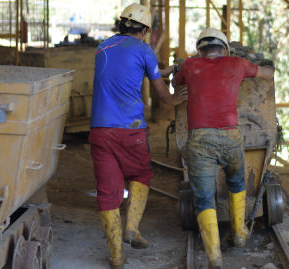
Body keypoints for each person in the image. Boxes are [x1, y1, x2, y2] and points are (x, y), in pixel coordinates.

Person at [89, 3, 188, 269]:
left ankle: (116, 257)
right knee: (141, 174)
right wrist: (176, 98)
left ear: (122, 25)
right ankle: (132, 229)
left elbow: (124, 72)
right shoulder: (144, 49)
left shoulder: (102, 47)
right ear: (144, 30)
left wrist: (159, 72)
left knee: (108, 192)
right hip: (129, 130)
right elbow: (162, 95)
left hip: (99, 131)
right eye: (146, 32)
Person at [173, 28, 274, 269]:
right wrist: (267, 65)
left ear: (199, 49)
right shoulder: (237, 64)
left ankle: (214, 258)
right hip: (231, 137)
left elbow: (175, 84)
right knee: (237, 182)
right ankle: (239, 233)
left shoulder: (190, 65)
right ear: (225, 49)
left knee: (204, 197)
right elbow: (267, 74)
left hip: (199, 141)